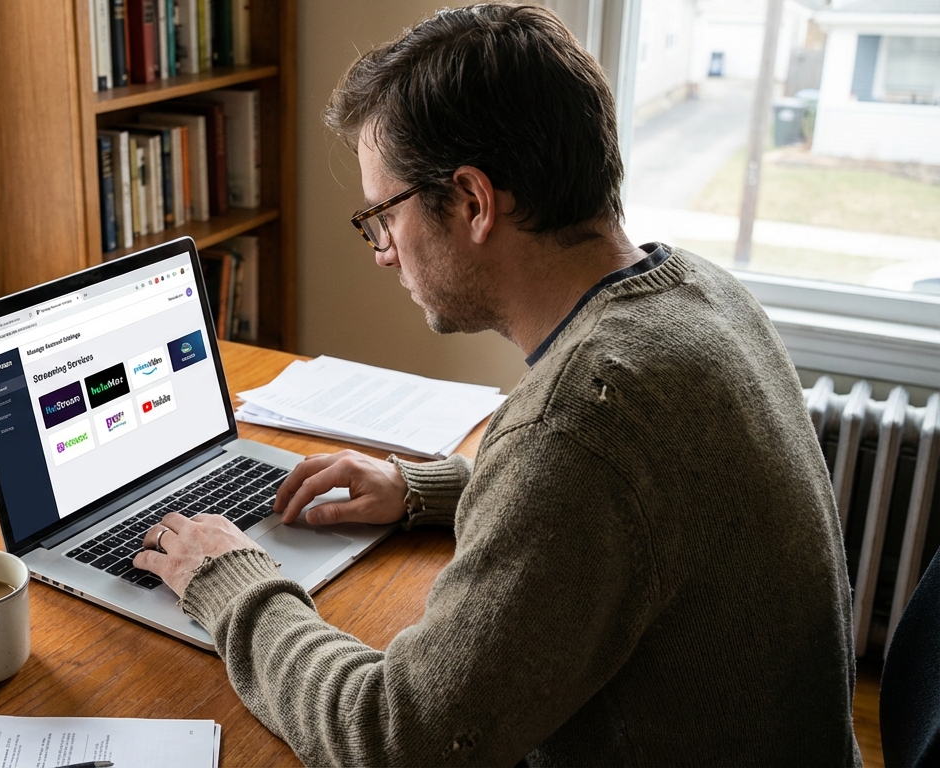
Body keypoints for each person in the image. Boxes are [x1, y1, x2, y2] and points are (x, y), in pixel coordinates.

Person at [132, 4, 862, 765]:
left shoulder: (578, 427)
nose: (382, 253)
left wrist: (230, 582)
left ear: (475, 202)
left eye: (383, 215)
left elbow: (395, 738)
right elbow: (634, 508)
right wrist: (425, 489)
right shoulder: (699, 294)